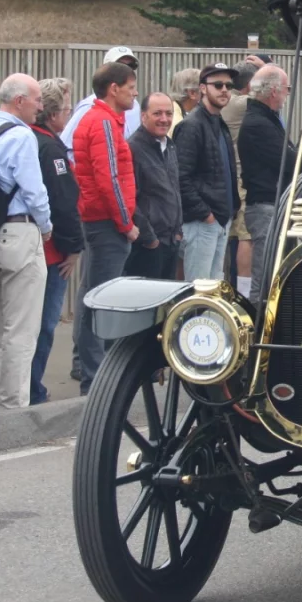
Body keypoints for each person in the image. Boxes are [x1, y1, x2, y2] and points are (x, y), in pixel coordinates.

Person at [0, 74, 51, 410]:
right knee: (21, 329)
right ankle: (12, 409)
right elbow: (33, 189)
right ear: (19, 101)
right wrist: (45, 226)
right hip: (19, 231)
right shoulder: (22, 135)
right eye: (36, 100)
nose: (41, 106)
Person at [71, 61, 140, 394]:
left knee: (95, 295)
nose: (135, 93)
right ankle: (96, 377)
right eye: (131, 87)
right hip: (106, 223)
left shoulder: (104, 120)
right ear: (114, 88)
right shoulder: (102, 123)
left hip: (102, 221)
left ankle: (96, 374)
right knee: (100, 299)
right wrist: (125, 223)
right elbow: (108, 177)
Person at [29, 79, 81, 405]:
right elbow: (62, 202)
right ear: (52, 114)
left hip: (39, 247)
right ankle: (33, 388)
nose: (69, 112)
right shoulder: (51, 148)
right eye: (65, 108)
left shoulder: (32, 140)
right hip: (51, 253)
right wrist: (74, 247)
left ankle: (27, 385)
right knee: (45, 323)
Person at [175, 64, 240, 281]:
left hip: (221, 219)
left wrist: (231, 210)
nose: (224, 90)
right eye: (218, 85)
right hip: (202, 222)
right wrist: (206, 214)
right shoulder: (191, 125)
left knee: (213, 290)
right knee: (198, 290)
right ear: (202, 88)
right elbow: (180, 177)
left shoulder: (219, 122)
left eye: (229, 85)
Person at [239, 65, 296, 293]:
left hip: (274, 204)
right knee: (264, 281)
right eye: (286, 89)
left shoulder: (268, 120)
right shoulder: (257, 125)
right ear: (274, 91)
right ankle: (259, 324)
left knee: (276, 276)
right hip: (265, 207)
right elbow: (291, 161)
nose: (286, 96)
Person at [125, 93, 183, 279]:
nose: (164, 119)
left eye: (168, 113)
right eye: (157, 113)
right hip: (147, 246)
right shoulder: (132, 148)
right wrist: (149, 239)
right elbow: (130, 199)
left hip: (171, 242)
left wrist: (178, 232)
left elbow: (175, 190)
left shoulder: (170, 146)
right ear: (143, 116)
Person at [220, 62, 256, 295]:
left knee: (229, 236)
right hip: (242, 178)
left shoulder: (226, 103)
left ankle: (225, 283)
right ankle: (244, 290)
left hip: (228, 178)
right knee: (246, 235)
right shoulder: (242, 103)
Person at [61, 46, 142, 148]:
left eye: (130, 66)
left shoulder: (134, 106)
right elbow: (67, 145)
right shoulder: (89, 105)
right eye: (119, 65)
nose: (126, 70)